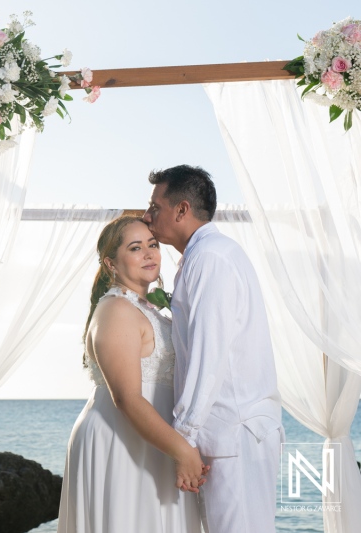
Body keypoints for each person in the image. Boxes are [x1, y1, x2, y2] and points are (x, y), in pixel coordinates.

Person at [142, 165, 283, 533]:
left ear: (182, 209)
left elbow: (209, 355)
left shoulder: (210, 259)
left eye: (155, 206)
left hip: (233, 432)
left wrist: (182, 441)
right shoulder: (207, 256)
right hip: (230, 432)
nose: (147, 216)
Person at [57, 215, 204, 533]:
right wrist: (183, 450)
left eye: (152, 245)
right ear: (111, 263)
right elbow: (126, 397)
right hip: (122, 439)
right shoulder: (116, 310)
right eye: (136, 248)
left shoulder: (145, 308)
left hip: (152, 439)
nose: (150, 253)